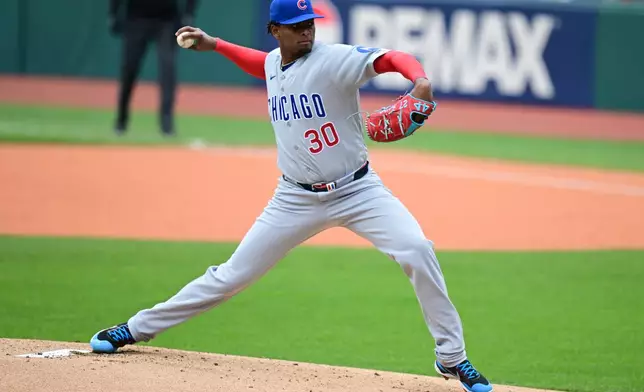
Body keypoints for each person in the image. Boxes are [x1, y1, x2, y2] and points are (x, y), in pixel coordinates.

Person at [90, 1, 493, 391]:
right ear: (275, 31)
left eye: (310, 23)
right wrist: (215, 44)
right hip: (294, 199)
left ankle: (451, 356)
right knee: (231, 276)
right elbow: (261, 64)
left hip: (359, 191)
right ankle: (136, 328)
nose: (307, 31)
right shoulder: (273, 63)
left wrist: (419, 81)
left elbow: (392, 58)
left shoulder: (334, 58)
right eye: (298, 26)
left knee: (417, 249)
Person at [109, 0, 198, 136]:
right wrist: (113, 13)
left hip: (167, 20)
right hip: (135, 18)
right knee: (129, 70)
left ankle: (167, 125)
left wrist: (189, 14)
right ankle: (121, 121)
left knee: (167, 70)